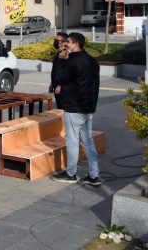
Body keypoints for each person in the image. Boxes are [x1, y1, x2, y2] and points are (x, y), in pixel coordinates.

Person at [50, 32, 102, 186]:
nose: (66, 44)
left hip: (74, 107)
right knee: (88, 141)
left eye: (69, 42)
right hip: (88, 107)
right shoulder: (92, 61)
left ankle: (70, 173)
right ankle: (94, 175)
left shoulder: (72, 62)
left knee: (72, 141)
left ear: (76, 44)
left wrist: (60, 61)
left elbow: (58, 78)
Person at [49, 32, 69, 109]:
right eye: (55, 40)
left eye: (57, 40)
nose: (55, 42)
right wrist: (52, 84)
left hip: (62, 88)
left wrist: (60, 86)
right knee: (59, 108)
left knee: (63, 109)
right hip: (56, 85)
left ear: (64, 43)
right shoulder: (58, 54)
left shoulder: (65, 55)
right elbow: (55, 70)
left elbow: (65, 72)